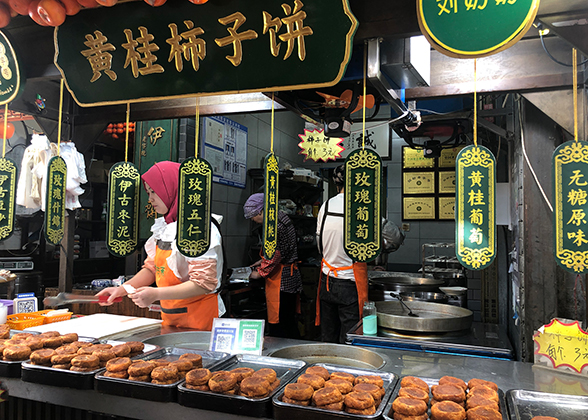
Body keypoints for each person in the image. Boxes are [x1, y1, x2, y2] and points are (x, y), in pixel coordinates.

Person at [97, 161, 225, 330]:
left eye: (154, 192)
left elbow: (203, 283)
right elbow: (152, 268)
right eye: (148, 192)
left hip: (202, 320)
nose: (150, 199)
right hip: (172, 318)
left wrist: (156, 294)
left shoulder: (199, 229)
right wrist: (122, 290)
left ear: (171, 189)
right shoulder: (165, 227)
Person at [315, 164, 368, 343]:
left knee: (328, 334)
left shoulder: (326, 205)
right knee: (350, 338)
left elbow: (319, 243)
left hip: (327, 279)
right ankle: (347, 371)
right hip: (349, 282)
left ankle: (326, 369)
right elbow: (391, 239)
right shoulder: (361, 207)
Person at [244, 193, 302, 339]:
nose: (253, 220)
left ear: (261, 211)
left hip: (282, 281)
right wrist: (261, 261)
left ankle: (284, 355)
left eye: (253, 216)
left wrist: (260, 272)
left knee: (282, 323)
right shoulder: (281, 217)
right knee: (288, 320)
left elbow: (276, 253)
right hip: (288, 276)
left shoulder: (275, 225)